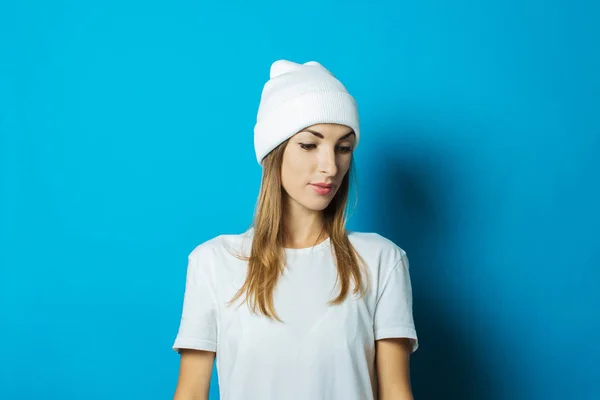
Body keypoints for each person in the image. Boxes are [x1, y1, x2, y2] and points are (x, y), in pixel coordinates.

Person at [172, 60, 419, 400]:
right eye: (309, 144)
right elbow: (190, 392)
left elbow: (395, 390)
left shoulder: (381, 259)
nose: (330, 166)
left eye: (343, 148)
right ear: (275, 151)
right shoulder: (213, 262)